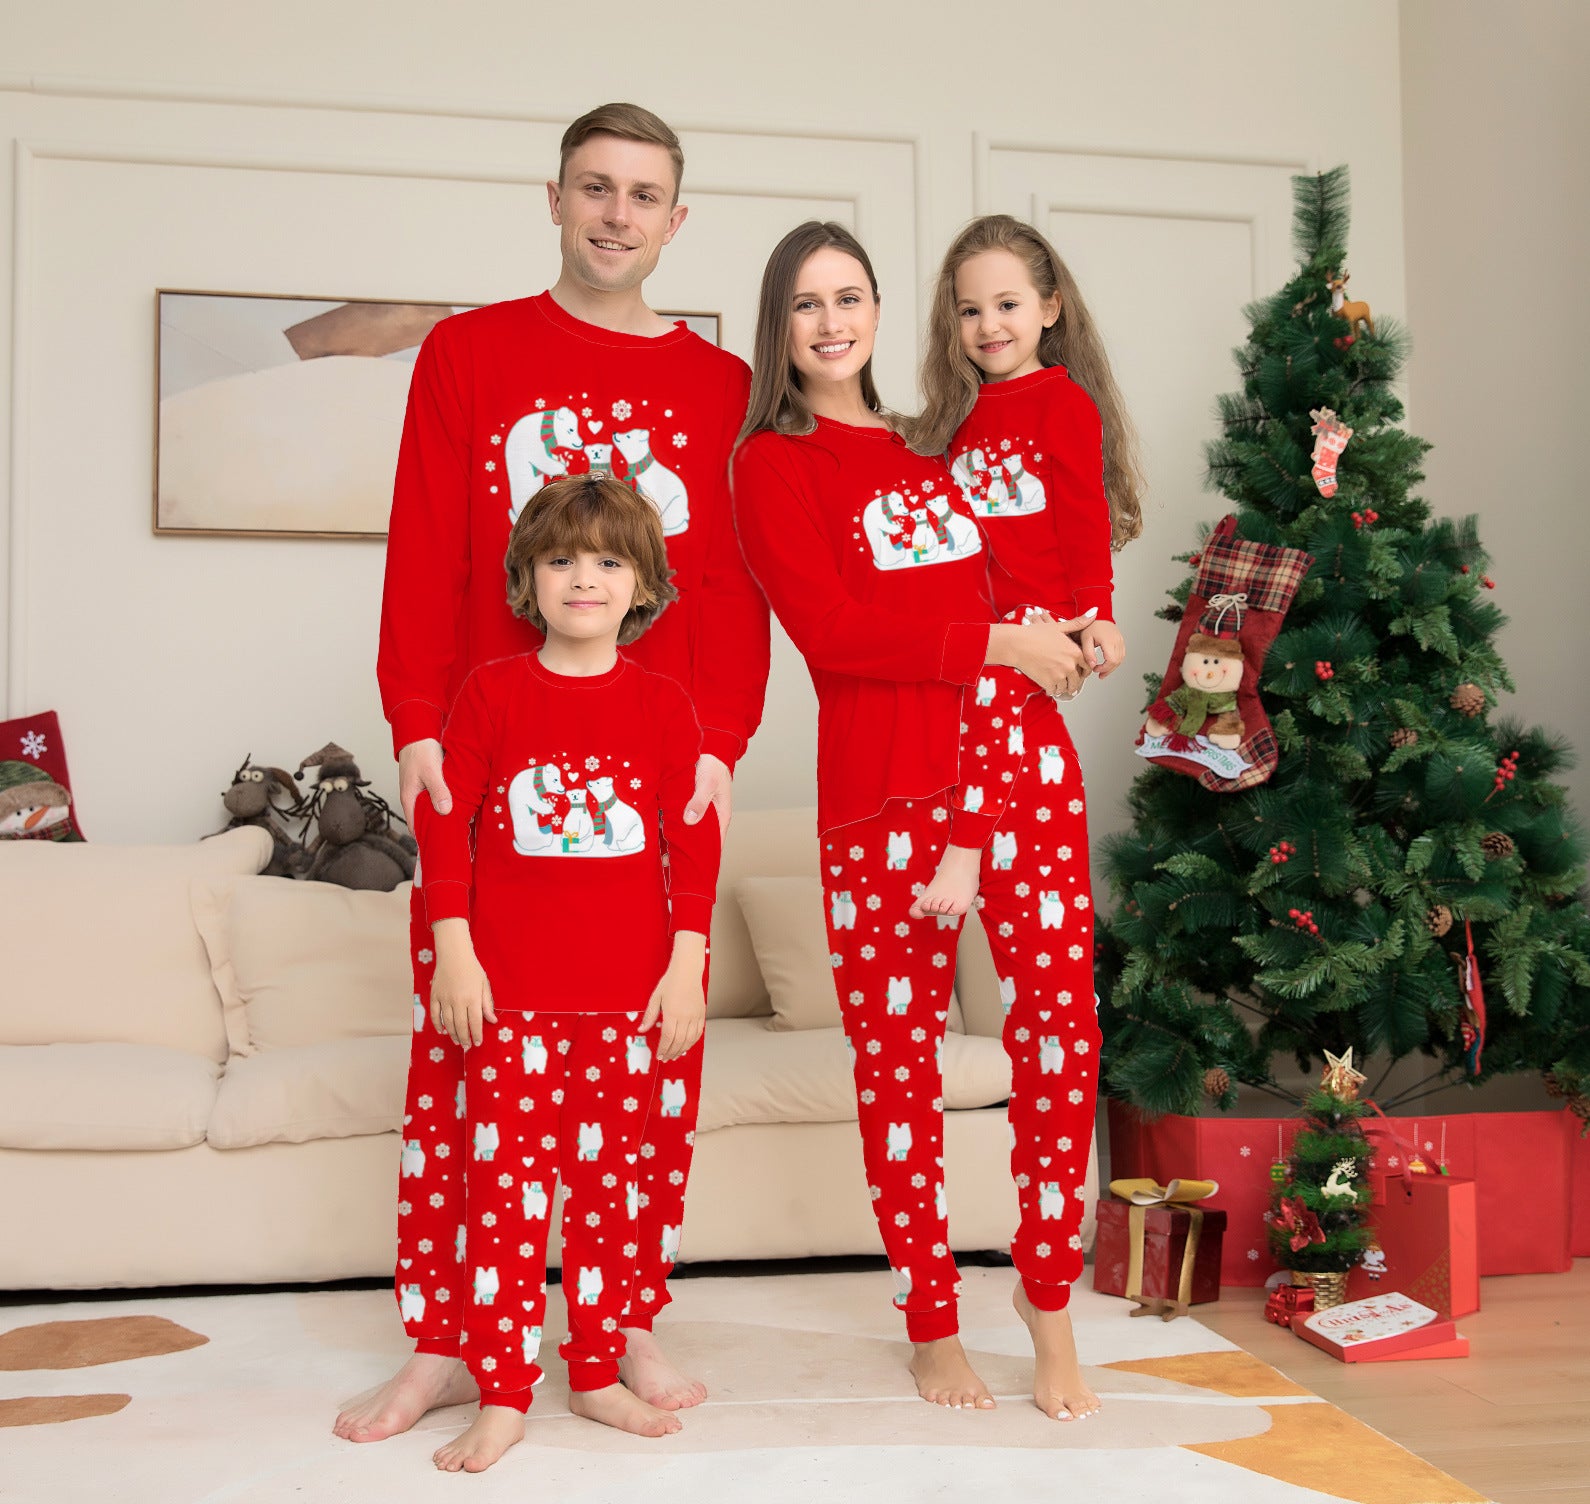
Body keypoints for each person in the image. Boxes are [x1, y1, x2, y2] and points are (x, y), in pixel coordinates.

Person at [340, 101, 769, 1445]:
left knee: (641, 1083)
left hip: (648, 783)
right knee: (463, 1082)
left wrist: (718, 742)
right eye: (595, 186)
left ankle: (617, 1322)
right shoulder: (468, 354)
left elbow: (735, 589)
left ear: (675, 221)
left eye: (644, 194)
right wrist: (415, 722)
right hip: (479, 767)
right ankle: (445, 1341)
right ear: (554, 197)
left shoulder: (718, 390)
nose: (616, 213)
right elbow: (424, 550)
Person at [732, 221, 1102, 1421]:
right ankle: (930, 1318)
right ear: (777, 326)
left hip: (1020, 775)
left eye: (851, 297)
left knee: (1061, 1041)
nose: (831, 322)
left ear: (890, 313)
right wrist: (1002, 640)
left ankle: (1048, 1302)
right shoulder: (771, 465)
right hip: (886, 799)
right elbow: (835, 635)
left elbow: (1028, 561)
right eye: (805, 304)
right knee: (897, 1070)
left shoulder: (931, 445)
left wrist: (1082, 623)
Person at [417, 473, 721, 1472]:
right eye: (559, 559)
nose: (582, 578)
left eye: (606, 560)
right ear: (527, 578)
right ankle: (504, 1392)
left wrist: (688, 964)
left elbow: (694, 844)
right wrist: (455, 950)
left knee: (612, 1202)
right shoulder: (492, 694)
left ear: (641, 584)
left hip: (630, 1007)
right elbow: (447, 825)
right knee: (503, 1202)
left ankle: (592, 1373)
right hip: (512, 1006)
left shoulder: (664, 705)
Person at [909, 213, 1145, 920]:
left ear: (1049, 308)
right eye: (970, 311)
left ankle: (966, 850)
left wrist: (1097, 612)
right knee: (974, 707)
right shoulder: (956, 414)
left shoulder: (1063, 403)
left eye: (1007, 306)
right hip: (972, 615)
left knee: (992, 694)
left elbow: (1082, 513)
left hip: (1040, 612)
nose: (989, 326)